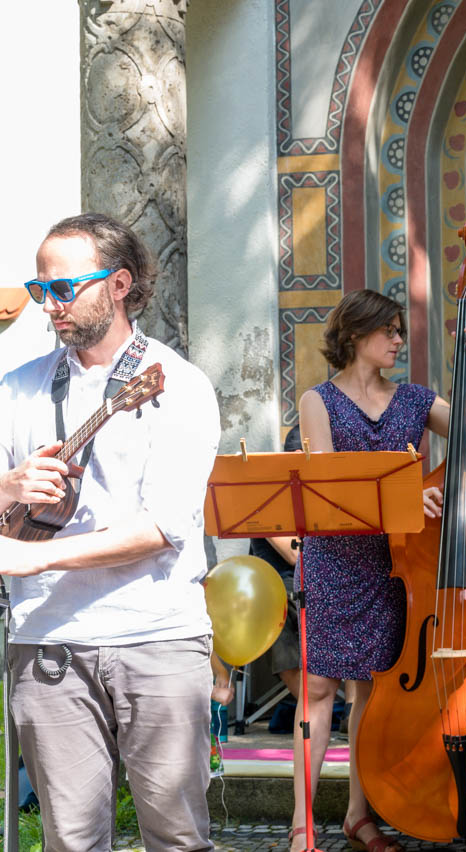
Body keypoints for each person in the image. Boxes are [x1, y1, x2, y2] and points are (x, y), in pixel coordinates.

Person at [0, 213, 220, 851]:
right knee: (69, 841)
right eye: (41, 289)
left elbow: (163, 527)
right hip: (46, 643)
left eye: (64, 288)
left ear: (120, 284)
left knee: (177, 837)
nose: (50, 305)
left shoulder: (178, 384)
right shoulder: (17, 388)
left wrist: (34, 560)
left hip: (157, 638)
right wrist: (9, 486)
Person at [288, 289, 466, 852]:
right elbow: (329, 487)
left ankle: (359, 817)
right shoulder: (318, 401)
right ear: (355, 334)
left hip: (393, 565)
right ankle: (301, 827)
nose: (399, 340)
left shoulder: (413, 399)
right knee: (318, 689)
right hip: (333, 560)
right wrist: (405, 499)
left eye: (400, 331)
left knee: (371, 693)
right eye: (389, 330)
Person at [249, 424, 304, 708]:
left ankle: (351, 709)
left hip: (314, 583)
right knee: (279, 613)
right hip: (279, 587)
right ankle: (314, 707)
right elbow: (294, 555)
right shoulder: (267, 497)